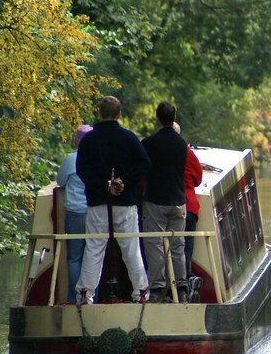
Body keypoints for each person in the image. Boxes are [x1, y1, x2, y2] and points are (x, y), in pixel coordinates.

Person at [75, 96, 152, 305]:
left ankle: (85, 295)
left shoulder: (89, 140)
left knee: (94, 249)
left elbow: (82, 170)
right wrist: (123, 182)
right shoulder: (128, 138)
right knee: (131, 249)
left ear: (98, 113)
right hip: (125, 204)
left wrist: (104, 185)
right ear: (119, 114)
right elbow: (144, 163)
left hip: (98, 203)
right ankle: (141, 293)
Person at [141, 102, 191, 302]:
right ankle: (181, 286)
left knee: (155, 244)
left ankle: (158, 288)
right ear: (174, 117)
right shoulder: (181, 143)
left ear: (157, 118)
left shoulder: (149, 143)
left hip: (156, 200)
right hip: (179, 200)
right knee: (177, 244)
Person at [57, 124, 93, 303]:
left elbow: (61, 181)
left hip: (75, 212)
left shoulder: (71, 159)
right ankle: (92, 296)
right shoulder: (97, 158)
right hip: (94, 212)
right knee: (93, 256)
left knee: (74, 257)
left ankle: (75, 298)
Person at [174, 122, 204, 278]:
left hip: (160, 205)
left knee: (159, 247)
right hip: (188, 206)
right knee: (185, 246)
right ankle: (182, 283)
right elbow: (198, 179)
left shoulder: (155, 152)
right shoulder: (188, 154)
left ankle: (161, 286)